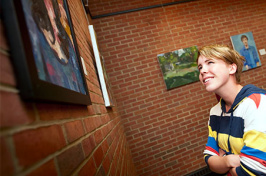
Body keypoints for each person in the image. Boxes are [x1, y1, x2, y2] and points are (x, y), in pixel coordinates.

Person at [197, 44, 266, 176]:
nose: (202, 71)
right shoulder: (214, 112)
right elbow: (209, 158)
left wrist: (222, 161)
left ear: (232, 68)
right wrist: (229, 161)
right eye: (200, 67)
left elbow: (253, 171)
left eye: (209, 62)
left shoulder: (257, 103)